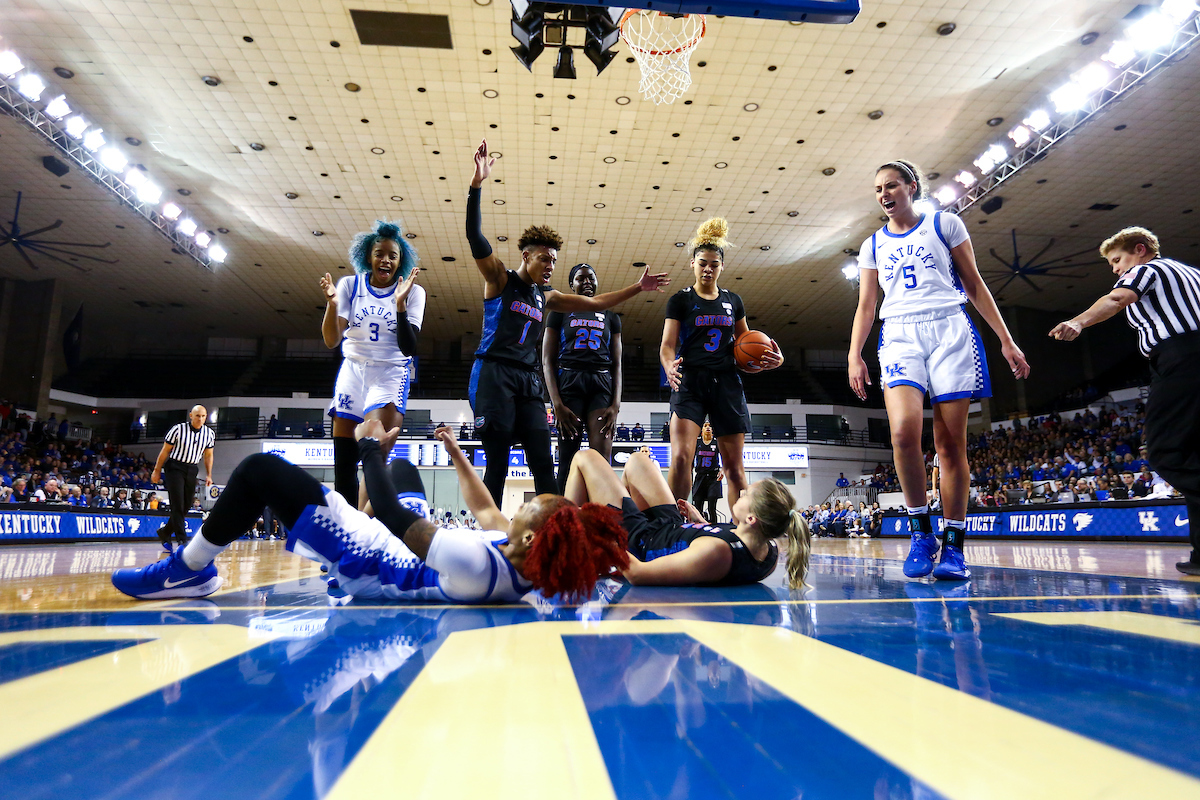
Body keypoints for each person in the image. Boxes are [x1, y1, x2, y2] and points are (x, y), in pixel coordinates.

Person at [111, 420, 629, 604]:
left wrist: (368, 452)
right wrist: (453, 455)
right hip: (402, 548)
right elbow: (488, 508)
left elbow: (386, 511)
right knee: (405, 472)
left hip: (369, 560)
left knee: (257, 470)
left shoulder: (479, 570)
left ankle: (189, 570)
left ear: (534, 537)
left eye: (529, 507)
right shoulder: (522, 562)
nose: (520, 507)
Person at [848, 160, 1030, 581]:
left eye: (891, 185)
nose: (884, 194)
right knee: (902, 433)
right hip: (899, 335)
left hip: (949, 327)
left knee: (950, 446)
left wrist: (1006, 339)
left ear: (912, 187)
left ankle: (954, 546)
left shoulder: (945, 224)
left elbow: (975, 285)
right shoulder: (872, 244)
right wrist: (855, 353)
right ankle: (920, 533)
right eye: (878, 189)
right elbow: (866, 305)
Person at [464, 140, 669, 505]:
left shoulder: (549, 297)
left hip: (527, 381)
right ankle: (490, 537)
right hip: (494, 374)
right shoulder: (499, 279)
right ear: (526, 256)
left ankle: (555, 534)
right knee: (497, 464)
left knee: (543, 462)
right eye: (544, 259)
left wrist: (639, 287)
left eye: (554, 260)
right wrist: (477, 185)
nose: (550, 266)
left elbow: (596, 302)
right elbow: (474, 237)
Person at [1051, 226, 1200, 574]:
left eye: (1118, 261)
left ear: (1141, 249)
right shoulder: (1193, 274)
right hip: (1186, 358)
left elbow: (1117, 300)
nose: (1116, 270)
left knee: (1166, 452)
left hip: (1183, 359)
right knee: (1195, 456)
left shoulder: (1148, 270)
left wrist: (1078, 321)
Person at [661, 217, 784, 520]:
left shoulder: (733, 301)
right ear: (692, 263)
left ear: (721, 267)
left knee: (734, 467)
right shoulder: (680, 300)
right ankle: (673, 526)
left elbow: (746, 347)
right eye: (702, 263)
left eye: (714, 265)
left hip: (726, 382)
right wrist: (667, 365)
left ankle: (745, 530)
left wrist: (769, 361)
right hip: (690, 381)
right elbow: (667, 345)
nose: (708, 269)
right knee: (680, 458)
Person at [563, 448, 809, 588]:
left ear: (752, 519)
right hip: (672, 528)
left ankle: (563, 550)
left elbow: (637, 573)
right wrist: (702, 525)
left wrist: (601, 531)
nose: (741, 493)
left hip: (642, 542)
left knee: (584, 458)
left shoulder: (716, 552)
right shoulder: (767, 547)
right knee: (639, 460)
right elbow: (726, 546)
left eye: (745, 495)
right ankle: (619, 504)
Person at [320, 219, 424, 509]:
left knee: (373, 456)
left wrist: (400, 305)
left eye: (393, 256)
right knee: (343, 461)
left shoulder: (414, 292)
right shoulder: (350, 286)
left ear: (401, 262)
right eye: (380, 253)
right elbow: (331, 340)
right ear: (368, 255)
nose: (385, 260)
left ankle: (371, 527)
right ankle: (346, 527)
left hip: (389, 372)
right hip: (352, 370)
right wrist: (331, 305)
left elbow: (409, 346)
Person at [543, 263, 624, 493]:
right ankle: (564, 518)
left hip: (601, 384)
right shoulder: (558, 313)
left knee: (601, 459)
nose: (587, 281)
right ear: (572, 285)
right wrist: (556, 404)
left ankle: (600, 518)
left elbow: (618, 364)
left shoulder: (611, 316)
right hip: (569, 381)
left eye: (591, 278)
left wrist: (616, 404)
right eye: (581, 278)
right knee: (568, 458)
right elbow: (547, 361)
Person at [151, 405, 216, 551]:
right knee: (177, 504)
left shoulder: (209, 434)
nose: (200, 419)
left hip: (192, 468)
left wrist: (209, 474)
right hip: (175, 467)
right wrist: (156, 470)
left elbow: (208, 455)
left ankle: (165, 532)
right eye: (198, 415)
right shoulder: (178, 429)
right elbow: (165, 451)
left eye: (203, 416)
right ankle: (182, 540)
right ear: (191, 416)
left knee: (186, 506)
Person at [691, 421, 722, 523]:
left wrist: (723, 469)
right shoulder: (697, 442)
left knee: (711, 506)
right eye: (705, 426)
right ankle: (698, 529)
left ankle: (714, 529)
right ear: (702, 430)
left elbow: (726, 458)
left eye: (710, 426)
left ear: (713, 431)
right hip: (700, 476)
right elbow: (691, 459)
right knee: (697, 507)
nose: (708, 428)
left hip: (713, 477)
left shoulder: (717, 442)